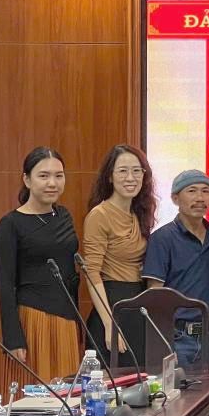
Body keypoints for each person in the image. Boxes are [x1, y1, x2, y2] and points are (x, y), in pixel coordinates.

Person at [0, 147, 81, 383]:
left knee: (68, 394)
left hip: (67, 320)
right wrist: (13, 338)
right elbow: (5, 285)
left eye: (59, 176)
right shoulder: (10, 224)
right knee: (32, 394)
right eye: (44, 176)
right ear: (27, 180)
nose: (52, 183)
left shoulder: (64, 216)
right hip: (32, 319)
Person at [142, 169, 209, 368]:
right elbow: (155, 296)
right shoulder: (162, 238)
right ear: (175, 199)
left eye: (205, 191)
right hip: (176, 339)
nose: (200, 198)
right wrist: (164, 345)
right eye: (192, 191)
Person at [83, 144, 154, 365]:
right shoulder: (99, 215)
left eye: (136, 171)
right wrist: (109, 323)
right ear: (110, 177)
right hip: (112, 306)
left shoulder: (139, 213)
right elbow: (91, 273)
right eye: (123, 171)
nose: (130, 177)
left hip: (137, 306)